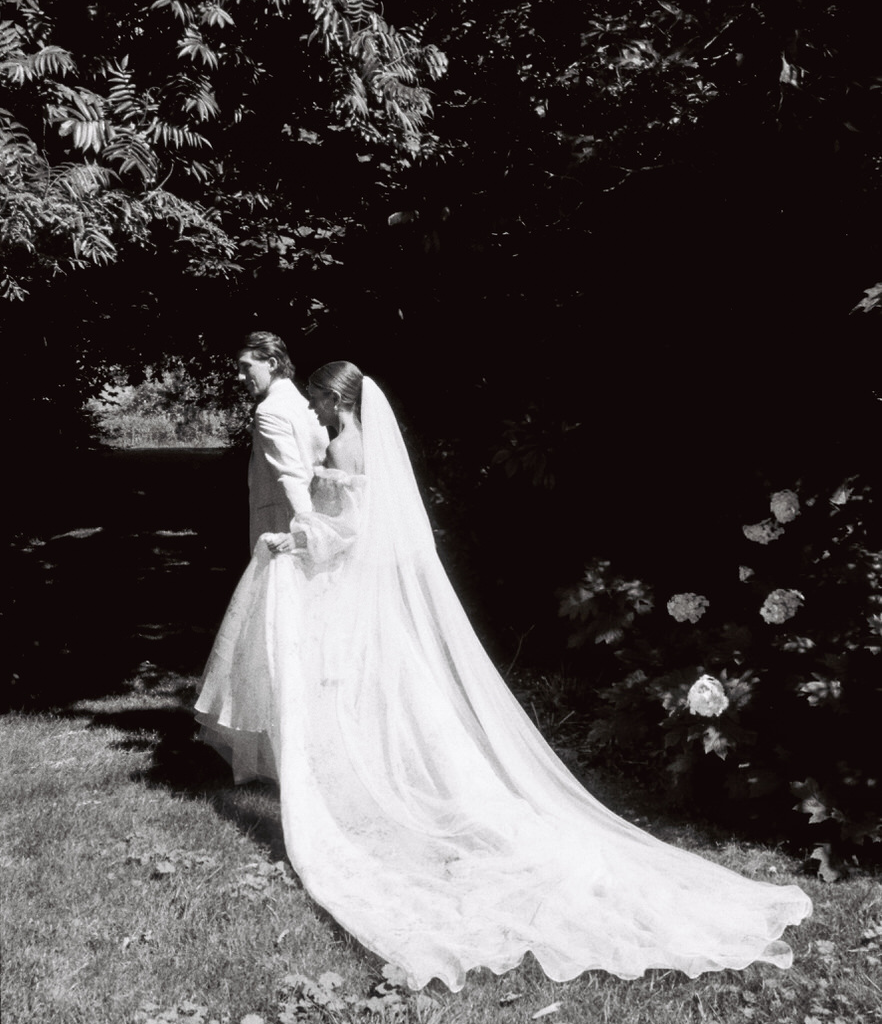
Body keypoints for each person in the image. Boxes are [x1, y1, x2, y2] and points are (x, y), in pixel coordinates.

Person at [196, 362, 812, 992]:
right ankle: (377, 770)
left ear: (334, 399)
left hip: (349, 586)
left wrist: (298, 543)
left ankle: (377, 784)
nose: (317, 413)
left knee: (363, 691)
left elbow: (355, 531)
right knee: (382, 696)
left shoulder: (350, 444)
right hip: (355, 591)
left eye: (321, 402)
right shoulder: (353, 441)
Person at [236, 331, 328, 553]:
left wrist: (307, 534)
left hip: (283, 526)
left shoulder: (269, 410)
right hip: (317, 513)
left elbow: (291, 476)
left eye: (246, 367)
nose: (239, 376)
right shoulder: (303, 403)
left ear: (272, 363)